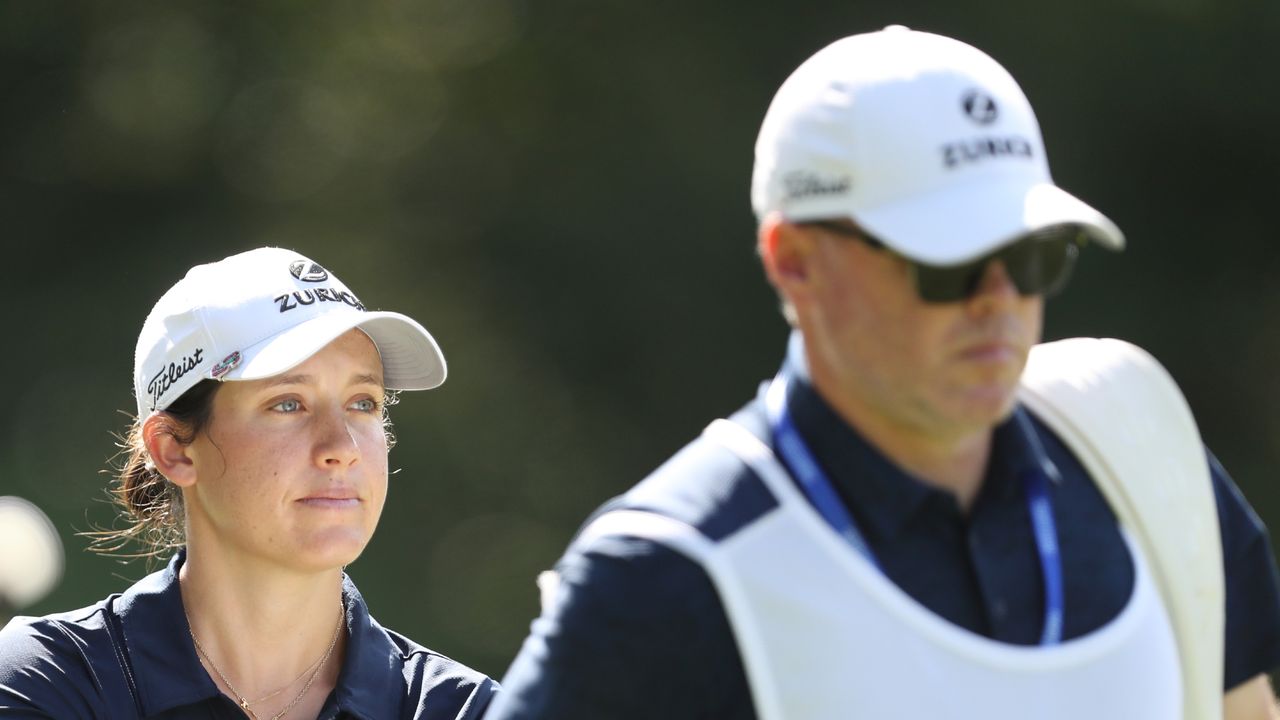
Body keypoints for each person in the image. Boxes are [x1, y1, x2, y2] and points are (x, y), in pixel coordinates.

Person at [485, 26, 1280, 720]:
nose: (1000, 301)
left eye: (1032, 254)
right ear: (794, 261)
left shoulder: (1139, 443)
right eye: (952, 262)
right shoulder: (663, 578)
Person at [0, 248, 498, 719]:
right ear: (172, 450)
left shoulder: (461, 708)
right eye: (288, 403)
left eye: (363, 402)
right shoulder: (46, 682)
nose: (342, 446)